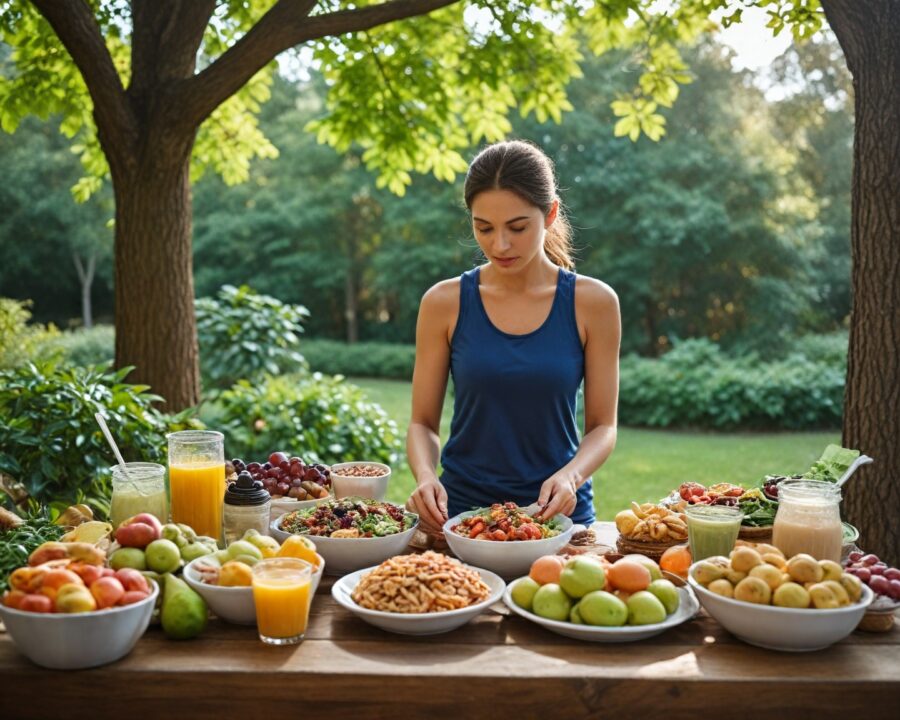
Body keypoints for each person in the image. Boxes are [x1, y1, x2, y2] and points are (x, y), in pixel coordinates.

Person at [406, 139, 621, 536]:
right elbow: (423, 423)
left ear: (550, 213)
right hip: (459, 517)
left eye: (517, 227)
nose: (499, 245)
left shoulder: (594, 303)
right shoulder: (443, 302)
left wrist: (571, 477)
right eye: (483, 228)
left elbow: (603, 426)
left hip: (556, 518)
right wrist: (424, 477)